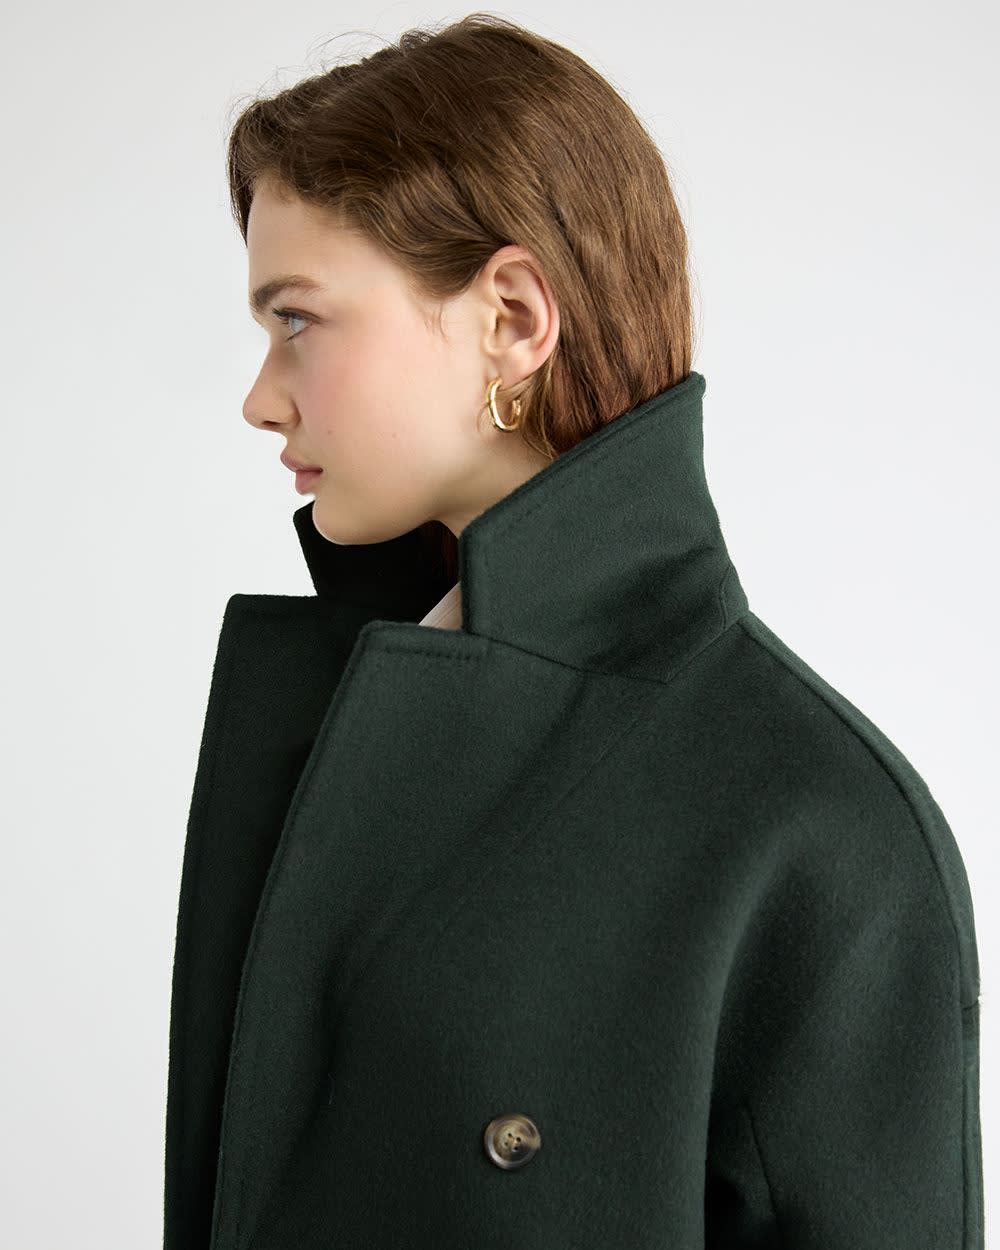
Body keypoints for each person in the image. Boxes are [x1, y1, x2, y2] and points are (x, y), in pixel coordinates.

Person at [163, 15, 984, 1250]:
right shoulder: (333, 717)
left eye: (297, 319)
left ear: (510, 318)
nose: (259, 397)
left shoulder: (814, 821)